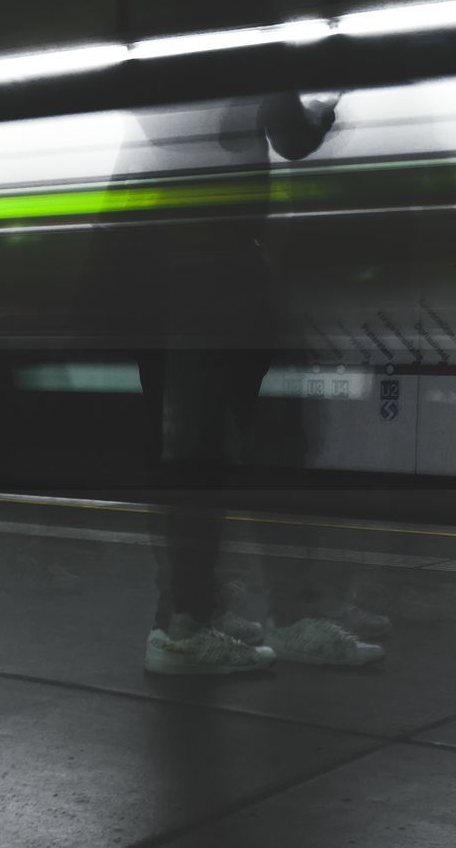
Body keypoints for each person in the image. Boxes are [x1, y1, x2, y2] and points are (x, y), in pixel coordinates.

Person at [139, 94, 386, 674]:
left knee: (207, 450)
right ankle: (195, 626)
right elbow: (292, 138)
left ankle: (195, 615)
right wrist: (323, 107)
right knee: (259, 445)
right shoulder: (245, 41)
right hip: (218, 274)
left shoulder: (166, 52)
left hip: (188, 271)